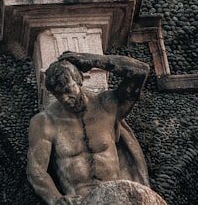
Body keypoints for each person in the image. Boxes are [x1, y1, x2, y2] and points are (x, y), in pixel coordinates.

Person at [27, 52, 152, 205]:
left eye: (68, 90)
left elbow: (141, 72)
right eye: (59, 95)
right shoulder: (45, 122)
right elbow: (36, 171)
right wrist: (56, 199)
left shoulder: (107, 105)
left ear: (79, 80)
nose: (65, 99)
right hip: (80, 201)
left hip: (117, 197)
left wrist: (95, 61)